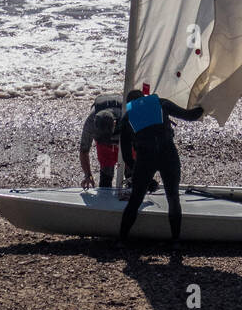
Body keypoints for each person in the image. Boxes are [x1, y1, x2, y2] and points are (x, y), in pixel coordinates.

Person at [118, 90, 203, 246]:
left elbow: (127, 157)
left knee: (135, 200)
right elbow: (190, 116)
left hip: (145, 159)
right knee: (173, 197)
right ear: (144, 98)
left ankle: (122, 241)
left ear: (129, 104)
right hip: (168, 155)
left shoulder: (127, 117)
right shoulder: (161, 103)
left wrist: (148, 179)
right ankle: (175, 241)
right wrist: (205, 104)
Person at [79, 92, 123, 189]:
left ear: (114, 124)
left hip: (124, 135)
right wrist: (88, 176)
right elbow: (83, 151)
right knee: (106, 174)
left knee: (131, 171)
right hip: (106, 144)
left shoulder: (127, 117)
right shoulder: (90, 123)